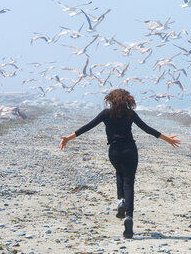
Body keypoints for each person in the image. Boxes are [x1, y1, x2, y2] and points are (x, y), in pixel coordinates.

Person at [59, 89, 181, 239]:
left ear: (111, 100)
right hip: (130, 150)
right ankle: (129, 217)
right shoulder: (130, 114)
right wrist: (168, 139)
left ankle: (121, 201)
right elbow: (146, 128)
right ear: (127, 100)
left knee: (119, 173)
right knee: (129, 182)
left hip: (115, 151)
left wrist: (68, 138)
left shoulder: (106, 114)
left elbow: (87, 127)